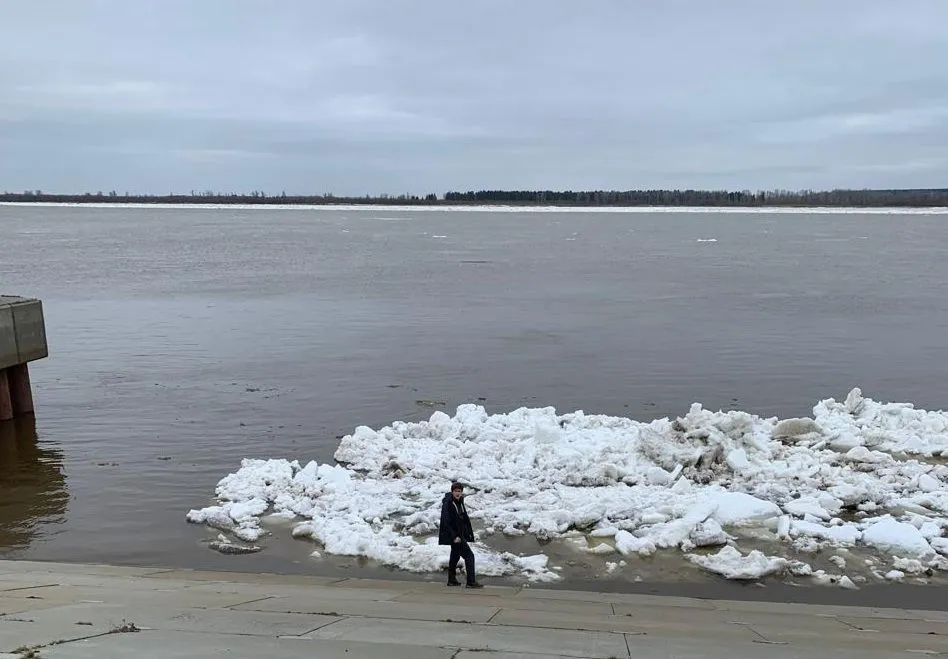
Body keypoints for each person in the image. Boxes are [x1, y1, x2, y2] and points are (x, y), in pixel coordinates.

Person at [438, 481, 483, 588]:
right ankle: (471, 582)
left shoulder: (460, 501)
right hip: (455, 536)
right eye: (456, 491)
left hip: (460, 534)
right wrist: (454, 536)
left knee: (455, 556)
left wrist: (467, 533)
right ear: (452, 492)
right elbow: (446, 522)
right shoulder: (448, 503)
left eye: (459, 491)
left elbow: (463, 518)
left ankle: (451, 580)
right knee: (469, 556)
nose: (458, 493)